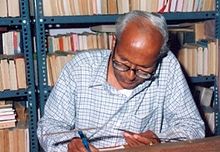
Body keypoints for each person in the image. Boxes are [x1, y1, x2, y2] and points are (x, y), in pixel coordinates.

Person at [37, 10, 205, 152]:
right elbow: (48, 127)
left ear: (158, 58)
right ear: (114, 42)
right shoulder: (80, 68)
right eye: (122, 63)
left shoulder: (168, 66)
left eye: (143, 70)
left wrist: (159, 140)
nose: (130, 76)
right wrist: (69, 145)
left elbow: (193, 127)